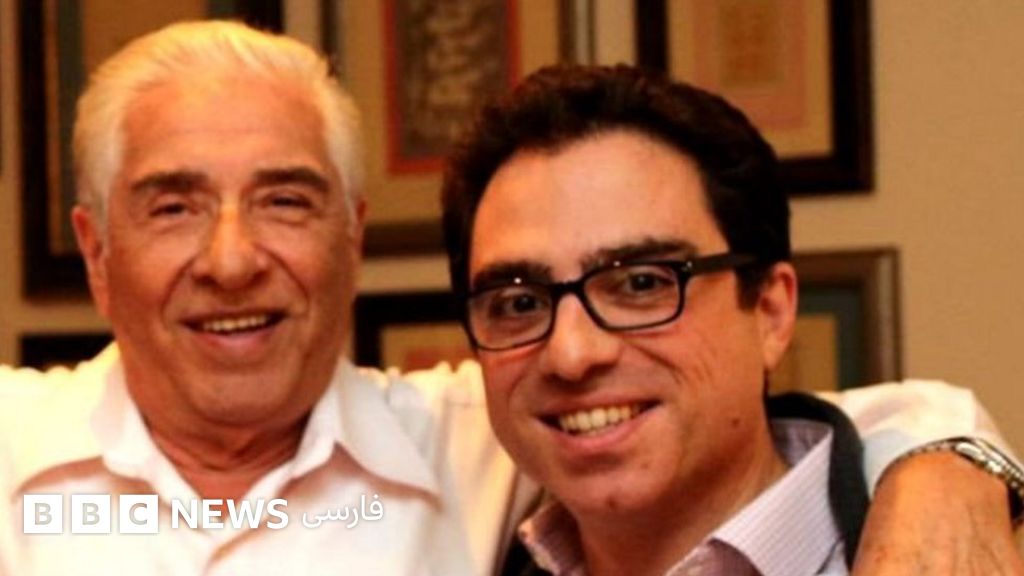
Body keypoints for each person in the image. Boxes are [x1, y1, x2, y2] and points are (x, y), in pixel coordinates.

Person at [0, 20, 1019, 576]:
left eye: (286, 201)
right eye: (173, 207)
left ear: (352, 239)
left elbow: (776, 419)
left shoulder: (473, 434)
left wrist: (949, 463)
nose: (231, 260)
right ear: (96, 253)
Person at [439, 63, 1024, 575]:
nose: (572, 353)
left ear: (771, 311)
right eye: (518, 303)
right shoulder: (468, 550)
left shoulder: (953, 554)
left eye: (641, 284)